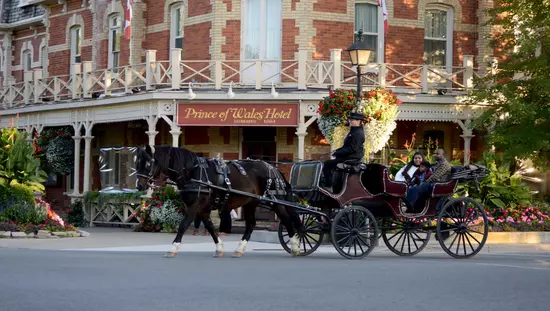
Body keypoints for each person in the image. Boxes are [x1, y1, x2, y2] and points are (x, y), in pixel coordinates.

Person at [321, 112, 366, 187]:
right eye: (350, 120)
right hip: (348, 156)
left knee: (327, 164)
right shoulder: (354, 131)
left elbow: (352, 149)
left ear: (359, 121)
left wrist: (337, 153)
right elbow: (346, 146)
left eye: (353, 120)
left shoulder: (358, 133)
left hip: (352, 158)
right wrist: (336, 151)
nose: (350, 121)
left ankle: (328, 184)